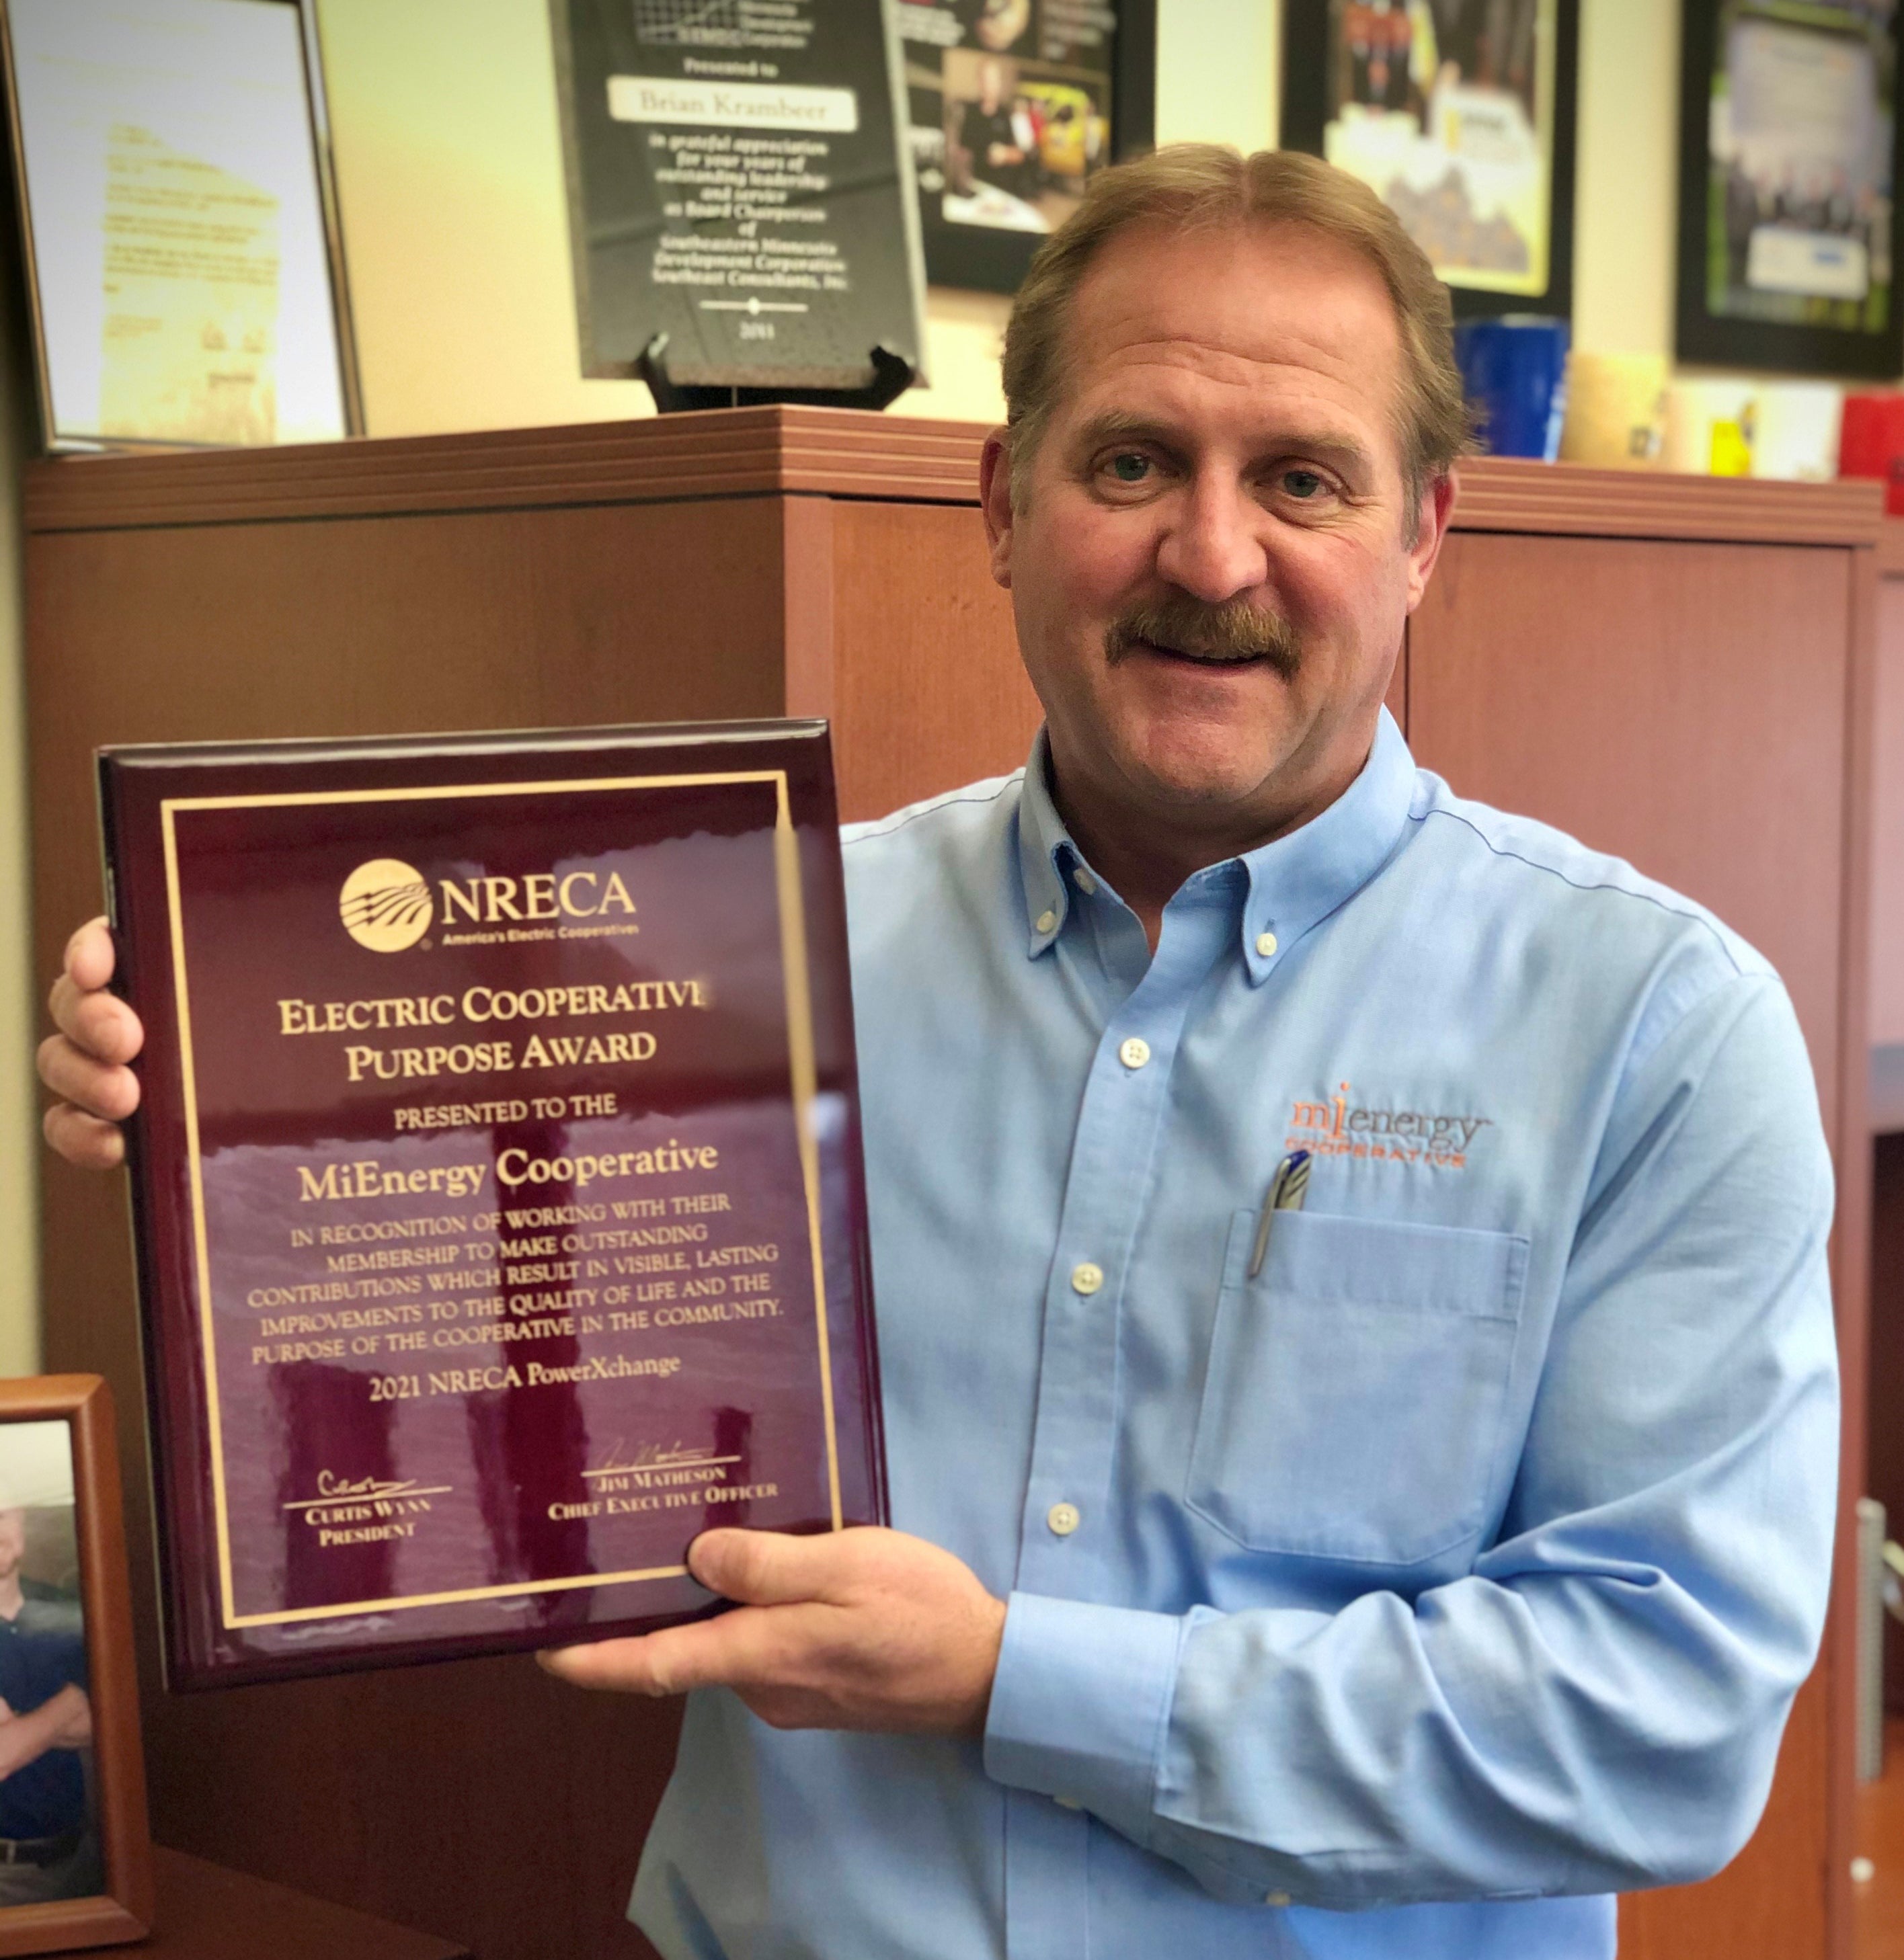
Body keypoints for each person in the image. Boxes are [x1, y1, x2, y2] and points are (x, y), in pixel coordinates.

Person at [38, 147, 1838, 1958]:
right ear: (1000, 501)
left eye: (1300, 478)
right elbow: (452, 1371)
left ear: (1425, 534)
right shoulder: (748, 962)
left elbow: (1657, 1723)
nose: (1212, 556)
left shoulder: (1653, 1033)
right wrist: (218, 1101)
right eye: (1131, 462)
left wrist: (1007, 1675)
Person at [0, 1507, 96, 1906]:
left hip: (84, 1859)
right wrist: (76, 1696)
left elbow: (100, 1726)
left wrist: (22, 1726)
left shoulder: (69, 1611)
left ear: (21, 1520)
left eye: (3, 1513)